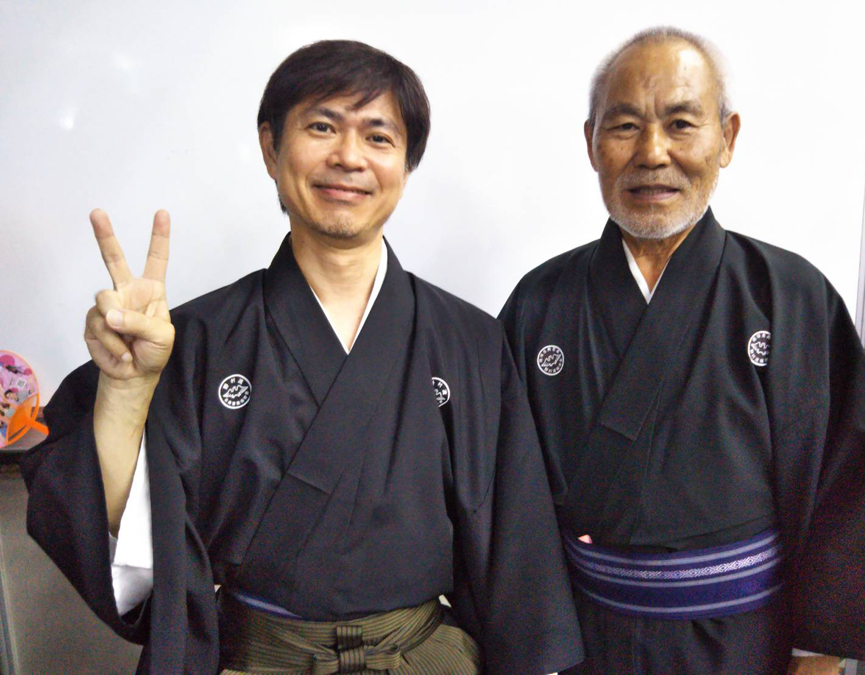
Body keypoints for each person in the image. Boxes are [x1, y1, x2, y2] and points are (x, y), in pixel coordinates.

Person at [22, 40, 584, 674]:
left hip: (425, 657)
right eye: (322, 127)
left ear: (405, 165)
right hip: (258, 660)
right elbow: (143, 551)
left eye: (378, 137)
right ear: (271, 148)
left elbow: (518, 558)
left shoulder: (470, 342)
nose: (349, 156)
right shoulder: (195, 339)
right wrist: (126, 392)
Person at [500, 27, 865, 675]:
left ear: (727, 138)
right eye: (624, 126)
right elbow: (506, 496)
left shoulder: (792, 296)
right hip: (585, 640)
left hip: (747, 643)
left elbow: (844, 489)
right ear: (592, 143)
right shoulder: (538, 303)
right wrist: (533, 647)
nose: (652, 152)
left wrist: (817, 654)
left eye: (681, 124)